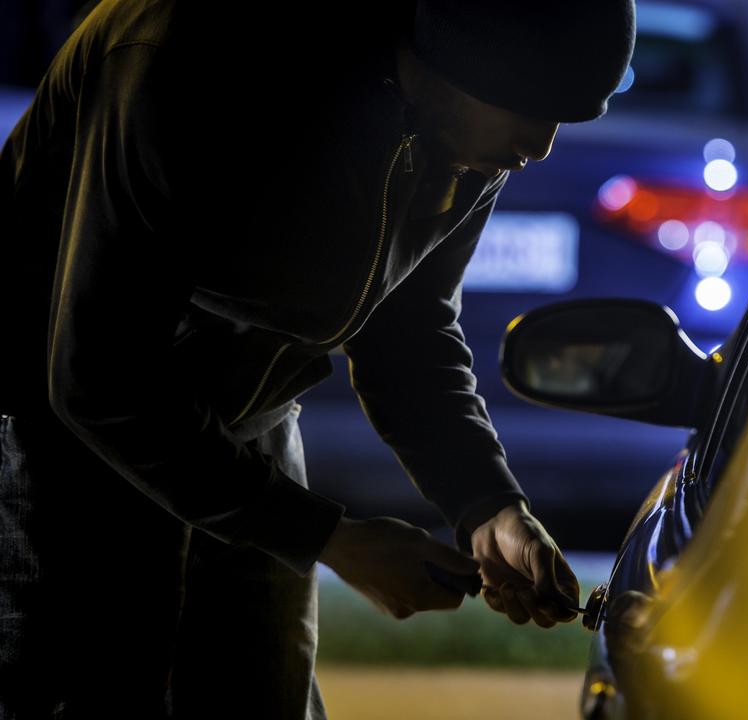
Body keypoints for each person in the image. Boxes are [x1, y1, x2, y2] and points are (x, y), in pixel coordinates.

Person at [0, 0, 636, 717]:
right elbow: (100, 375)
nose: (541, 146)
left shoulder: (469, 132)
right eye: (530, 107)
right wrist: (330, 538)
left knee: (260, 695)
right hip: (58, 439)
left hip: (251, 429)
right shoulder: (182, 58)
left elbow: (409, 328)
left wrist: (488, 504)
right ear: (457, 54)